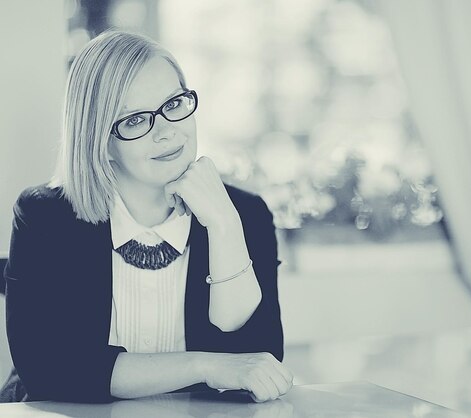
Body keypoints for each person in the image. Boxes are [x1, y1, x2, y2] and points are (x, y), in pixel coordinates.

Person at [0, 30, 292, 403]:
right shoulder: (46, 217)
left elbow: (257, 360)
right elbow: (52, 369)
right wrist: (205, 366)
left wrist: (224, 226)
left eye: (173, 103)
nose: (167, 132)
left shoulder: (244, 215)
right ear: (100, 142)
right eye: (136, 120)